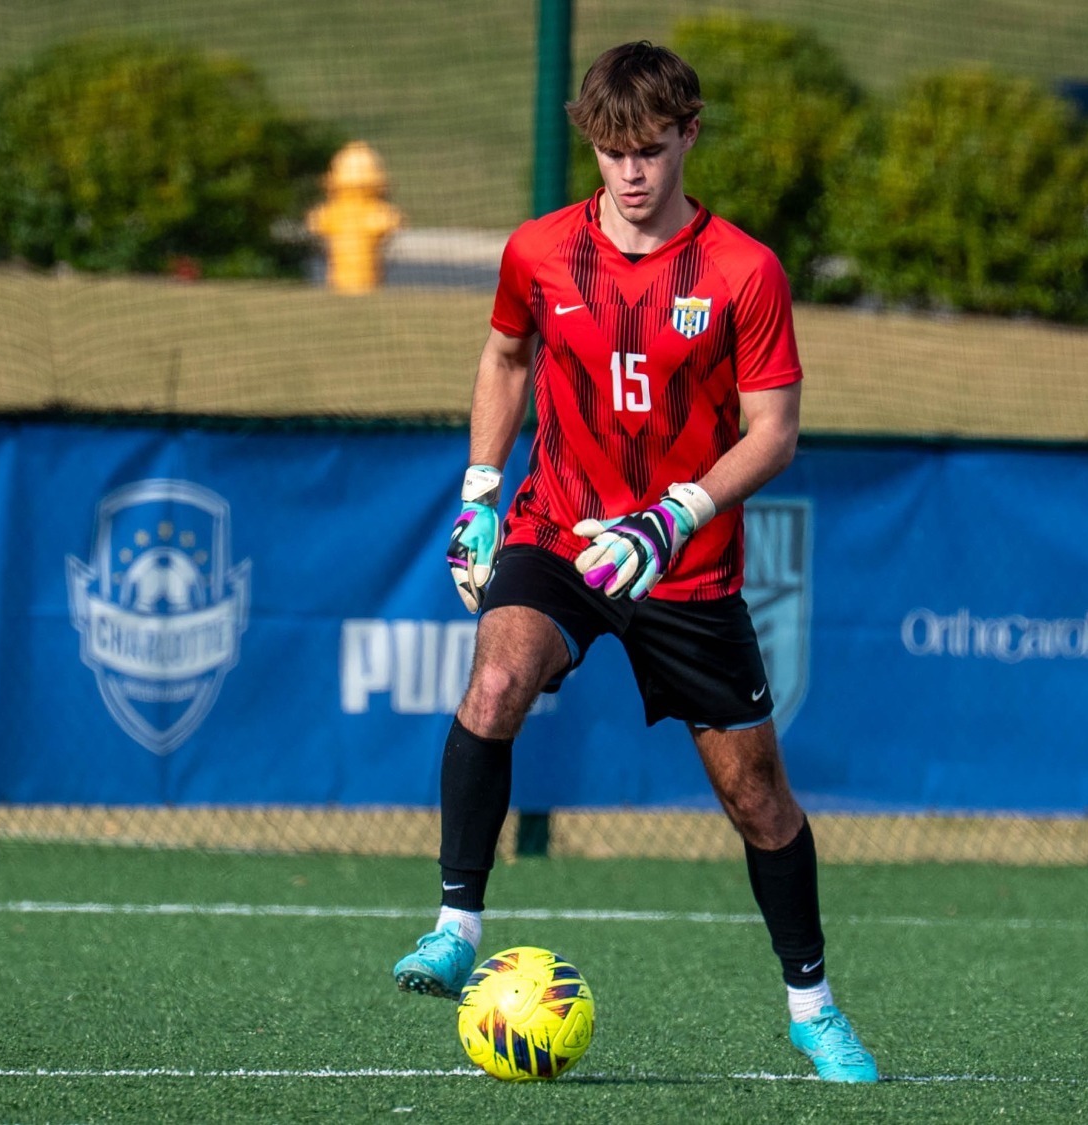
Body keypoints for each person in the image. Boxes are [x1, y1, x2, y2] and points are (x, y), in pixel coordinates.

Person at [391, 40, 877, 1084]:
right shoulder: (537, 251)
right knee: (494, 679)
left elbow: (773, 432)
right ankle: (455, 927)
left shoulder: (743, 271)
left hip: (684, 564)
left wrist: (675, 515)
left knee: (757, 798)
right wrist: (479, 493)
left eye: (650, 149)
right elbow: (505, 356)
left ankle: (811, 1006)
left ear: (687, 135)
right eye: (612, 152)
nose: (630, 173)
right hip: (559, 533)